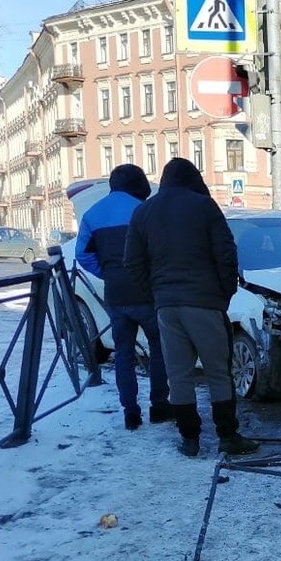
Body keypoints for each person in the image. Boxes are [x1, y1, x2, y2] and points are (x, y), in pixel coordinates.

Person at [124, 158, 258, 457]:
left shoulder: (143, 212)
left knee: (179, 375)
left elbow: (132, 262)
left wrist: (157, 294)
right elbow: (226, 254)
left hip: (167, 307)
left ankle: (190, 440)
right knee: (218, 373)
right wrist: (224, 295)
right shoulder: (204, 206)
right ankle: (228, 436)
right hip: (205, 304)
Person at [75, 164, 170, 430]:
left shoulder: (93, 214)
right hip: (147, 293)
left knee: (123, 354)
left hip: (116, 296)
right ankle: (160, 405)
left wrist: (108, 272)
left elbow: (82, 255)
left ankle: (130, 412)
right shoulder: (146, 211)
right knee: (159, 350)